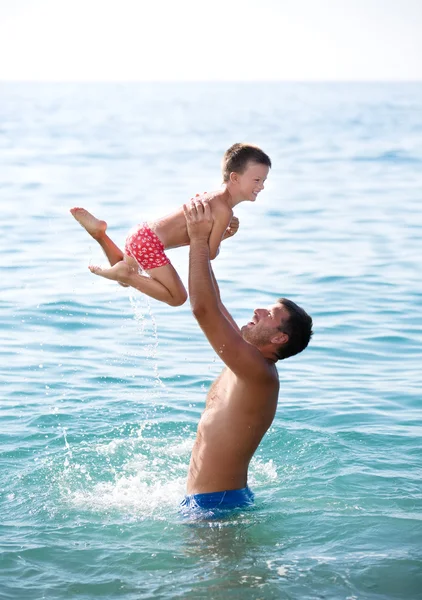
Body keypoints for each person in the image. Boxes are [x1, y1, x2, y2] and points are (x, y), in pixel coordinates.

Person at [180, 198, 313, 515]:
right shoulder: (248, 360)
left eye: (268, 314)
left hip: (216, 507)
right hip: (215, 501)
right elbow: (214, 302)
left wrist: (197, 238)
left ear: (279, 338)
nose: (256, 310)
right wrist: (211, 245)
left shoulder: (257, 372)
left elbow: (202, 309)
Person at [70, 143, 271, 306]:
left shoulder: (211, 198)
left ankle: (100, 234)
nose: (261, 186)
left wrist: (221, 233)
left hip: (142, 233)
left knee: (125, 280)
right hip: (150, 243)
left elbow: (196, 236)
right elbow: (207, 253)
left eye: (263, 180)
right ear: (234, 177)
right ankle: (116, 266)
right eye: (257, 180)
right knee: (177, 297)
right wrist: (223, 237)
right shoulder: (225, 210)